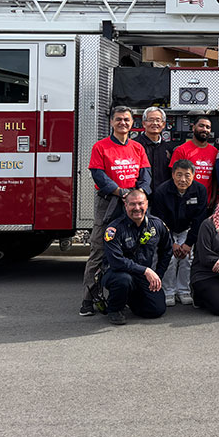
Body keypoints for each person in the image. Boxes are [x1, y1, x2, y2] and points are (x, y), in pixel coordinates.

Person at [80, 105, 152, 317]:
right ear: (111, 122)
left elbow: (145, 175)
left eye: (127, 120)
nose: (123, 123)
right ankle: (88, 298)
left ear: (132, 124)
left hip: (133, 205)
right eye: (119, 119)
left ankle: (128, 296)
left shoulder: (138, 148)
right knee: (99, 249)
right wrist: (121, 192)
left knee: (134, 249)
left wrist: (139, 194)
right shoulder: (100, 147)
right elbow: (98, 175)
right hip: (109, 202)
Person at [100, 189, 172, 325]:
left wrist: (158, 275)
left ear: (147, 204)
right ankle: (114, 309)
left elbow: (167, 250)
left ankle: (129, 299)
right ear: (125, 206)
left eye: (140, 203)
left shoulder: (156, 225)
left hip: (142, 275)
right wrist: (146, 271)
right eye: (132, 204)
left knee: (156, 310)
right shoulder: (114, 229)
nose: (137, 208)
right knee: (123, 280)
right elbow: (116, 262)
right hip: (117, 273)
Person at [148, 159, 208, 307]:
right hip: (166, 230)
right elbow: (159, 221)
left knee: (188, 257)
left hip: (187, 229)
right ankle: (168, 291)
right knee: (169, 258)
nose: (183, 179)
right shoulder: (162, 191)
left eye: (187, 175)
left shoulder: (200, 190)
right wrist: (171, 243)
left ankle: (184, 290)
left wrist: (188, 243)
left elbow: (199, 219)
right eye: (179, 175)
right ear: (173, 175)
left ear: (193, 175)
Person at [169, 116, 218, 203]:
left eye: (208, 127)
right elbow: (173, 176)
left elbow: (214, 177)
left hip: (205, 201)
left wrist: (213, 197)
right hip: (184, 200)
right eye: (201, 126)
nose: (204, 129)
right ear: (193, 128)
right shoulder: (181, 150)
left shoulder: (214, 151)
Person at [134, 106, 174, 191]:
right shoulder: (134, 146)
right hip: (139, 197)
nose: (155, 123)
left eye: (158, 120)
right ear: (144, 123)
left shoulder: (168, 148)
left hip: (163, 196)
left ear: (163, 124)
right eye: (151, 120)